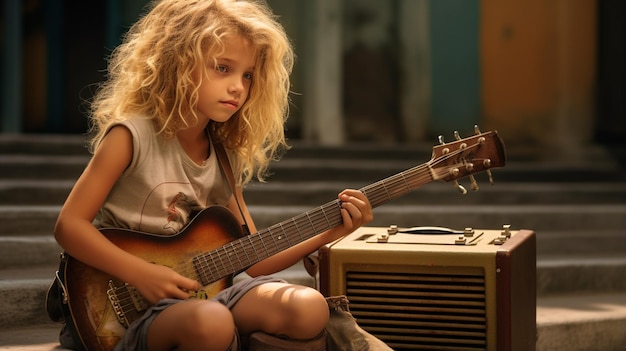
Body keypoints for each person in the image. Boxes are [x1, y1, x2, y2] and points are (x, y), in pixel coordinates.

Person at [53, 0, 373, 350]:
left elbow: (255, 259)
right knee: (212, 321)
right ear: (177, 63)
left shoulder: (222, 156)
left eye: (247, 75)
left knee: (309, 308)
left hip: (205, 297)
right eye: (223, 68)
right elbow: (69, 226)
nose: (238, 86)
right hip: (125, 308)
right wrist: (140, 274)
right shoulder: (131, 136)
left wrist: (333, 230)